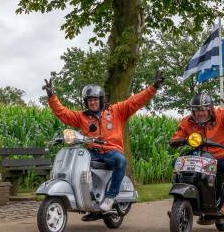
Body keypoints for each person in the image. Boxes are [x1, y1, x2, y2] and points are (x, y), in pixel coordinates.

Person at [43, 71, 163, 214]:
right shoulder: (82, 117)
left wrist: (153, 87)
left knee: (121, 161)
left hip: (111, 151)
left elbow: (135, 101)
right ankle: (88, 196)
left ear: (101, 99)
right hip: (92, 151)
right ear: (85, 102)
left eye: (95, 99)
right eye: (89, 100)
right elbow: (63, 113)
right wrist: (52, 97)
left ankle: (110, 197)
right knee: (77, 163)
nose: (92, 102)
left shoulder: (116, 111)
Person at [169, 91, 224, 217]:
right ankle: (180, 201)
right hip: (198, 157)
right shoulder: (187, 121)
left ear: (210, 109)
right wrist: (176, 141)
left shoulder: (221, 115)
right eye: (196, 110)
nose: (200, 113)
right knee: (176, 163)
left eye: (203, 109)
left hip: (221, 156)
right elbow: (178, 136)